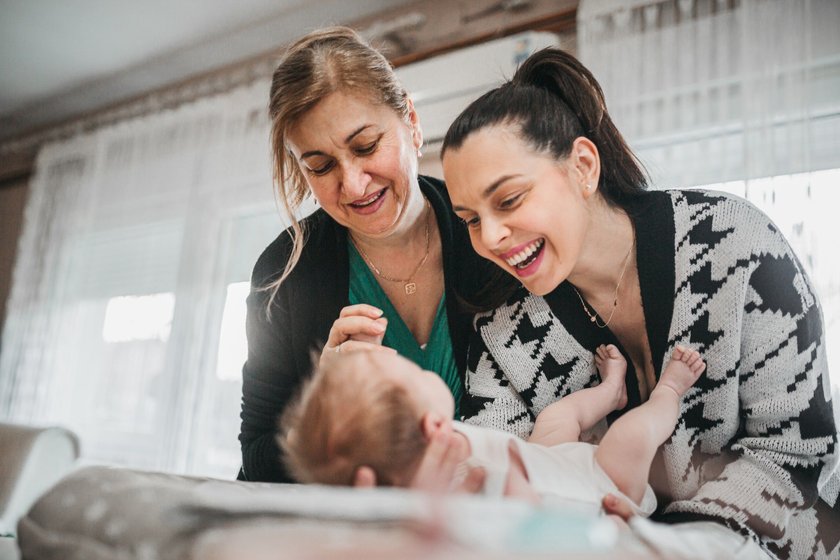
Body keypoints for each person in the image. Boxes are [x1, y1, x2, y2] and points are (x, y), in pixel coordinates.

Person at [438, 47, 839, 558]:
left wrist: (664, 544)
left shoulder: (737, 244)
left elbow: (795, 453)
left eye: (509, 200)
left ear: (583, 166)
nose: (491, 237)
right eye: (471, 219)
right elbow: (495, 470)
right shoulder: (503, 334)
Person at [237, 27, 505, 483]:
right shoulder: (282, 273)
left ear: (412, 123)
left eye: (366, 147)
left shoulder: (488, 233)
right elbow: (256, 459)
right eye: (321, 166)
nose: (354, 184)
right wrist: (322, 402)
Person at [279, 345, 705, 515]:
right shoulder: (479, 497)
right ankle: (669, 391)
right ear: (432, 424)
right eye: (417, 373)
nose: (424, 372)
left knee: (554, 420)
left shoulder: (416, 452)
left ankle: (610, 392)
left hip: (547, 459)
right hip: (600, 490)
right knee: (630, 437)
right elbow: (536, 531)